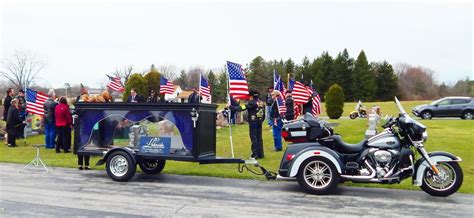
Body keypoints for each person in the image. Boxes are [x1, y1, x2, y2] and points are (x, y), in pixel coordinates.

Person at [229, 89, 265, 159]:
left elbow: (242, 107)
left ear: (251, 96)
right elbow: (263, 113)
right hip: (259, 121)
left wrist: (231, 107)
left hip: (253, 121)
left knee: (253, 137)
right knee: (259, 137)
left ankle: (255, 154)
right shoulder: (261, 102)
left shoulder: (252, 102)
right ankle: (261, 153)